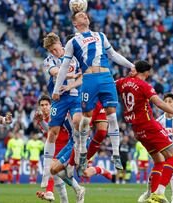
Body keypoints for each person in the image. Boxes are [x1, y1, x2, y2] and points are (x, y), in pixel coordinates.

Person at [52, 11, 137, 174]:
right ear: (75, 23)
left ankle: (116, 154)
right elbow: (64, 67)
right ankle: (83, 150)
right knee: (87, 116)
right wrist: (56, 90)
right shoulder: (72, 42)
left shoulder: (100, 36)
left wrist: (131, 65)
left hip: (106, 76)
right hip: (89, 78)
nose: (85, 16)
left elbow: (113, 54)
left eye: (86, 15)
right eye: (81, 15)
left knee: (112, 115)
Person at [116, 60, 173, 202]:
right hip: (148, 125)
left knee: (159, 161)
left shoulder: (122, 82)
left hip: (137, 130)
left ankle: (152, 196)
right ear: (146, 73)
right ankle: (160, 192)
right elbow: (159, 103)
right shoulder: (144, 85)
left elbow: (111, 86)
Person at [41, 32, 83, 191]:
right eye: (50, 50)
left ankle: (78, 154)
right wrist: (72, 74)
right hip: (58, 99)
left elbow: (82, 78)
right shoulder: (49, 60)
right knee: (52, 132)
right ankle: (46, 172)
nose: (53, 52)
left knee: (78, 121)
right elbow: (55, 72)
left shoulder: (75, 55)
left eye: (54, 48)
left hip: (74, 96)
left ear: (60, 43)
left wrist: (71, 85)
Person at [139, 93, 173, 203]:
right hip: (162, 149)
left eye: (170, 101)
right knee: (157, 170)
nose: (167, 103)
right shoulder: (158, 121)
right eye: (165, 101)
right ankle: (149, 192)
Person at [34, 95, 81, 203]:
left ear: (51, 106)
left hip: (67, 148)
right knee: (57, 176)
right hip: (55, 150)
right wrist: (41, 121)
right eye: (42, 105)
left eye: (46, 105)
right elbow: (49, 131)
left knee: (55, 171)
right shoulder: (42, 119)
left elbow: (62, 129)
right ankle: (66, 194)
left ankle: (52, 191)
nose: (44, 107)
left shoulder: (60, 113)